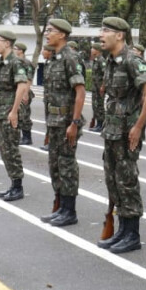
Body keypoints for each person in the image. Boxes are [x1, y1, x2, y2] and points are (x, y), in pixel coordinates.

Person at [96, 17, 146, 253]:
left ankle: (132, 234)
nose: (101, 35)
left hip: (126, 133)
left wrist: (138, 126)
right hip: (112, 131)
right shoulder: (111, 61)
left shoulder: (133, 60)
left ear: (120, 35)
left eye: (105, 31)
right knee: (114, 181)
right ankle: (122, 230)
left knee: (127, 182)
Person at [41, 19, 87, 227]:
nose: (47, 34)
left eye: (50, 31)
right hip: (54, 121)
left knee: (67, 165)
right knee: (55, 165)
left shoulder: (71, 57)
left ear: (62, 35)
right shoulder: (53, 58)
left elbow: (80, 92)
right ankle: (60, 207)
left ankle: (70, 210)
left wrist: (74, 123)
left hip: (67, 121)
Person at [0, 30, 30, 202]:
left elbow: (22, 86)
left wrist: (14, 112)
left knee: (11, 149)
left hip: (9, 113)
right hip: (1, 111)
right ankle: (13, 184)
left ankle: (17, 187)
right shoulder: (2, 62)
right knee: (4, 149)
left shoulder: (15, 62)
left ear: (7, 43)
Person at [13, 42, 34, 146]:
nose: (14, 50)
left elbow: (28, 79)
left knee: (24, 115)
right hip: (17, 92)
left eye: (15, 48)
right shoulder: (16, 62)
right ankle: (20, 135)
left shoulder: (27, 63)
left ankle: (27, 137)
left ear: (21, 50)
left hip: (24, 92)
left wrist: (25, 94)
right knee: (17, 114)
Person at [89, 41, 106, 132]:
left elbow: (105, 74)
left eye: (93, 48)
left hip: (99, 88)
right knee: (95, 105)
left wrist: (103, 86)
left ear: (97, 50)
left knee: (99, 106)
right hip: (95, 87)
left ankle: (101, 124)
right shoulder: (95, 60)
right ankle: (97, 123)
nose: (91, 50)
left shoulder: (101, 60)